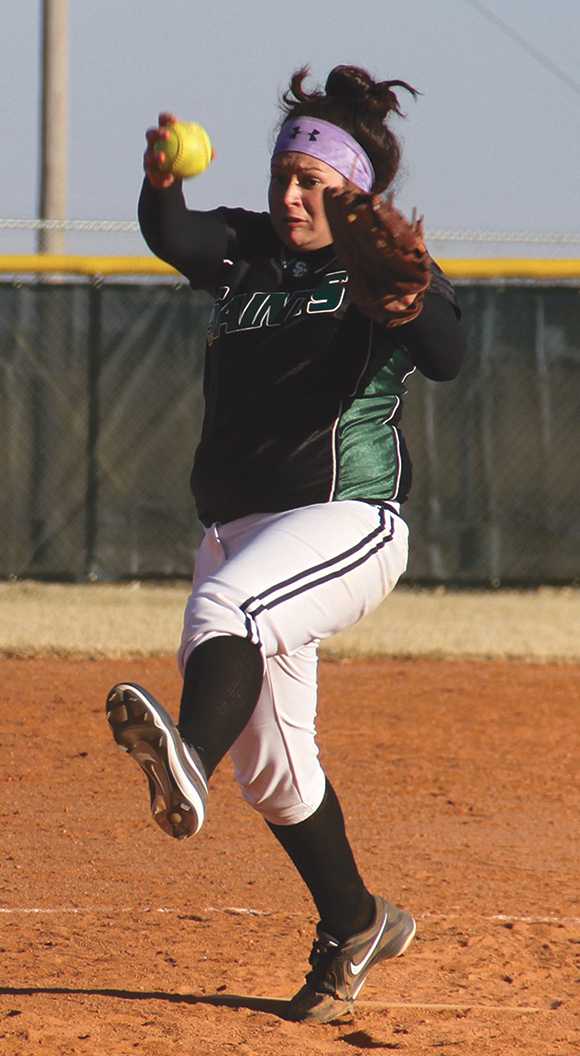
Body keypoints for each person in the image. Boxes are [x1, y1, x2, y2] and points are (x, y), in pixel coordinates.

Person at [106, 64, 465, 1024]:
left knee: (224, 613)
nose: (291, 193)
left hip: (345, 515)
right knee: (274, 772)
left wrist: (410, 296)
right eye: (284, 176)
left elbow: (451, 355)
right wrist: (159, 179)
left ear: (355, 193)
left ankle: (184, 752)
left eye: (313, 181)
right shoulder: (246, 250)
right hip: (237, 528)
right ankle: (358, 920)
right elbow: (172, 234)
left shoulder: (382, 261)